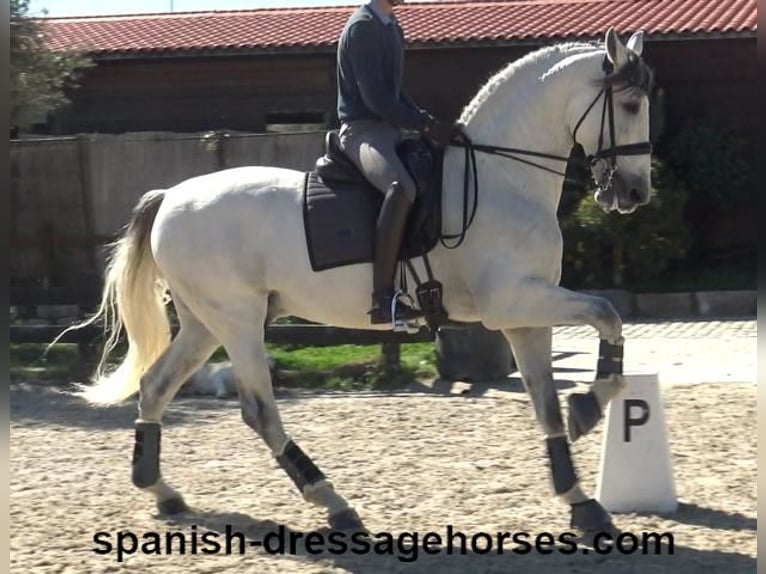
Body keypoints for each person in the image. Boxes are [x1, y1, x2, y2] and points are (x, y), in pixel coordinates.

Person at [336, 0, 456, 325]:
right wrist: (424, 125)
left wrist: (427, 122)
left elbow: (395, 93)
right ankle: (382, 299)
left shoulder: (391, 27)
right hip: (362, 130)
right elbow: (376, 99)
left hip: (390, 130)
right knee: (400, 187)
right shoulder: (363, 27)